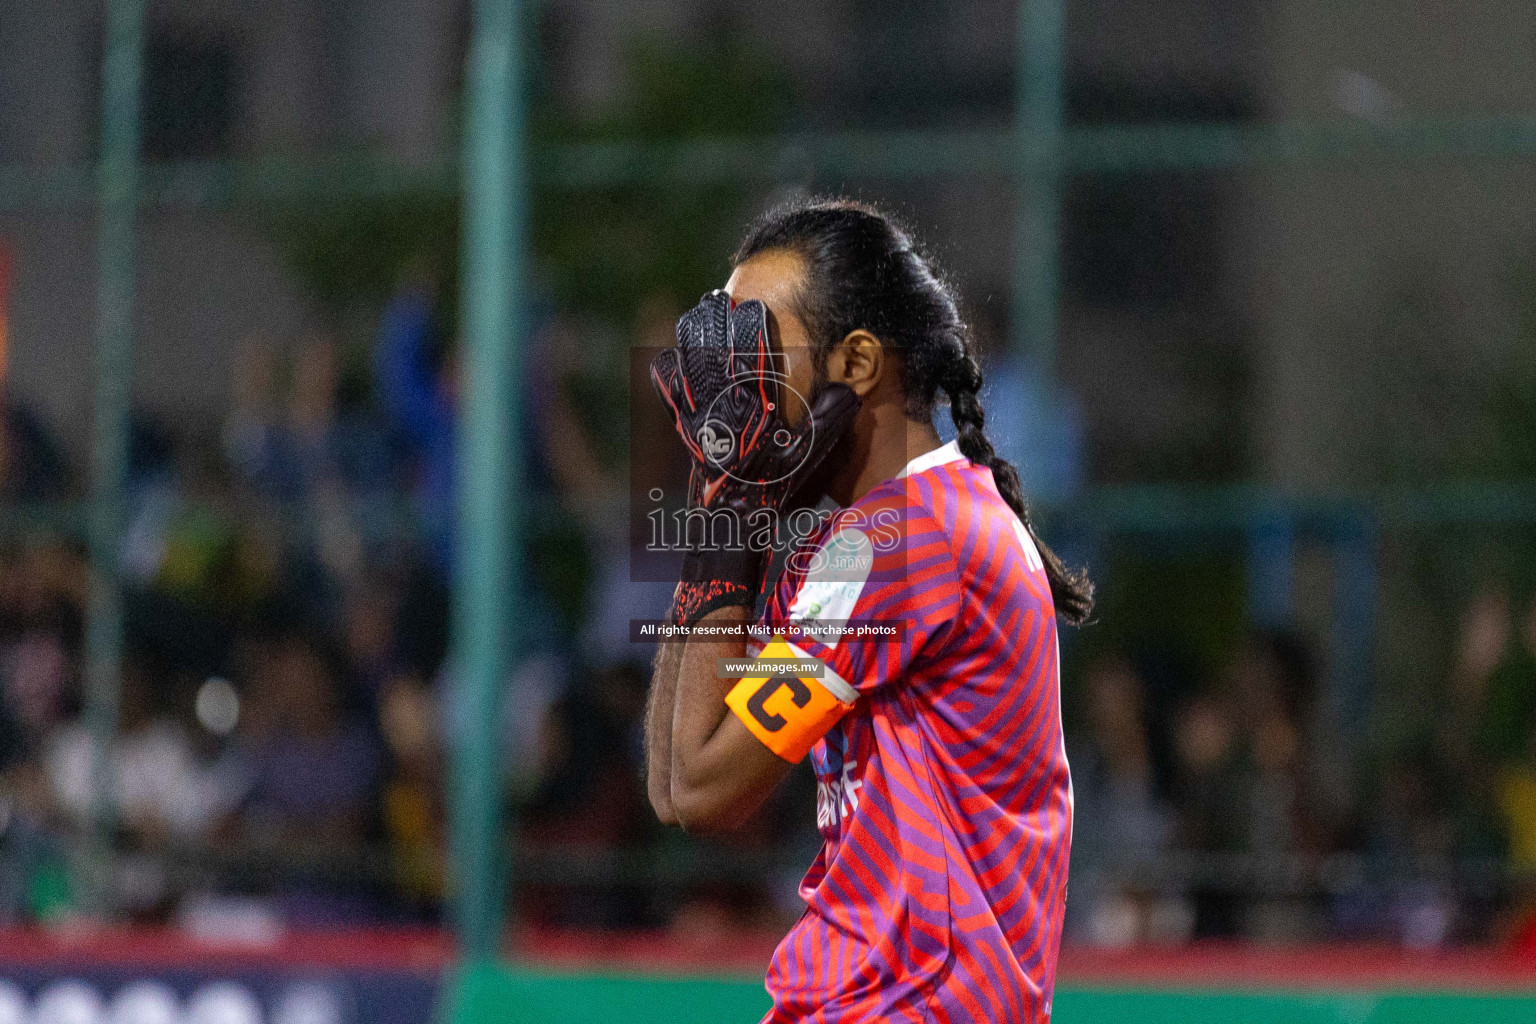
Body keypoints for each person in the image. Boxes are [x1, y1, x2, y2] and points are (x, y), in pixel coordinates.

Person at [645, 199, 1092, 1023]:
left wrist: (727, 514)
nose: (730, 394)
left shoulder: (907, 542)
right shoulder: (861, 542)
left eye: (756, 353)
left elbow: (707, 790)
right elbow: (676, 787)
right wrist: (723, 512)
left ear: (855, 363)